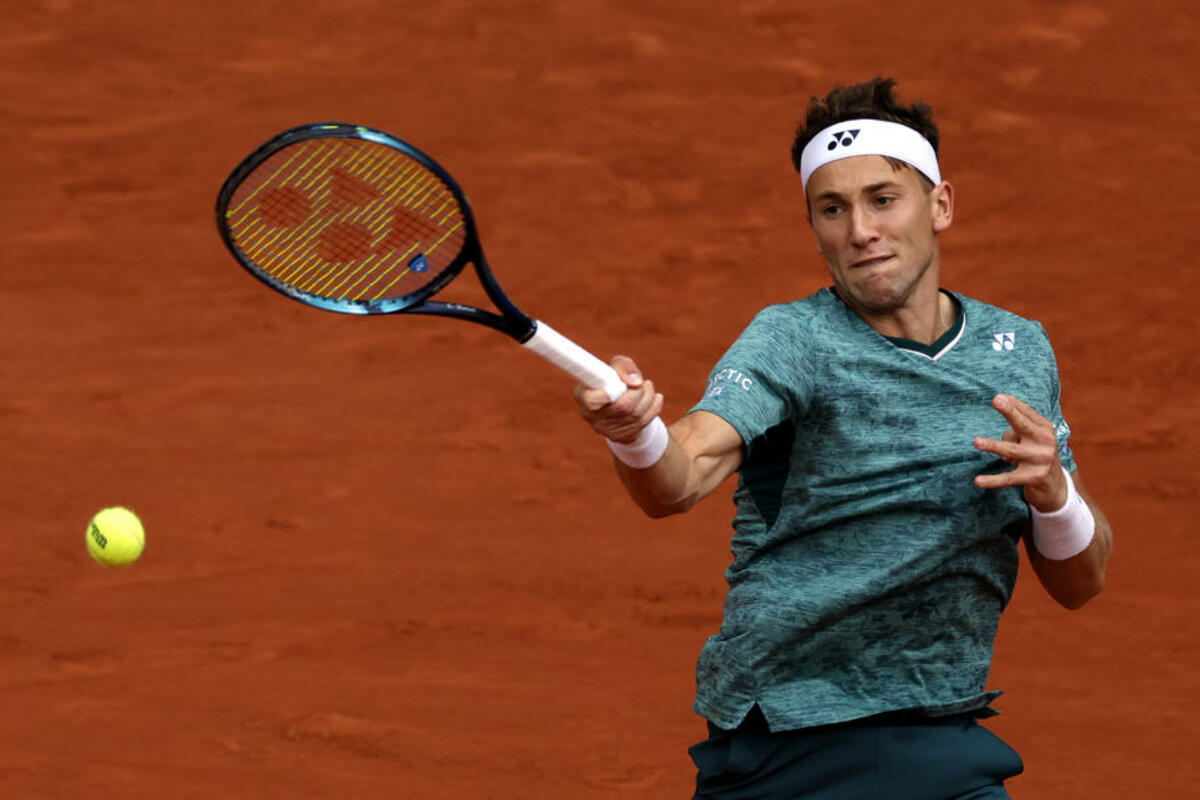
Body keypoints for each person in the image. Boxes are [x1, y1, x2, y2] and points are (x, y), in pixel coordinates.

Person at [574, 78, 1114, 799]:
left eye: (882, 199)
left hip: (942, 736)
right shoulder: (794, 341)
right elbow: (680, 476)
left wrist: (1054, 494)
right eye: (833, 209)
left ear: (940, 205)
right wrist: (636, 435)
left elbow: (1081, 583)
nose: (860, 231)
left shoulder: (1019, 351)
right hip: (789, 743)